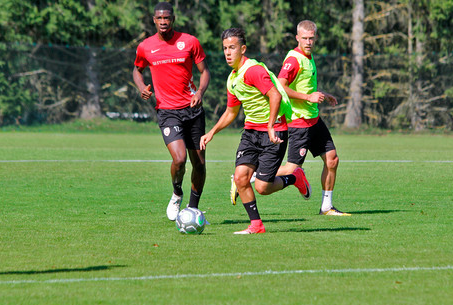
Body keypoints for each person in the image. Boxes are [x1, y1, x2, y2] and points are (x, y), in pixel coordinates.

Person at [200, 28, 311, 234]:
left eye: (232, 47)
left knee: (262, 187)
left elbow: (276, 95)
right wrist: (212, 132)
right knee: (241, 178)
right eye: (224, 48)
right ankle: (256, 225)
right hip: (251, 133)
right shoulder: (232, 79)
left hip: (274, 131)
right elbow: (231, 112)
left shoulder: (253, 70)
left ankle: (294, 177)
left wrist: (269, 126)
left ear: (243, 49)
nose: (227, 52)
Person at [132, 2, 211, 221]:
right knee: (179, 159)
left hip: (193, 110)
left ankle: (192, 208)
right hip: (168, 111)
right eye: (159, 18)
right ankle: (177, 193)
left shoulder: (189, 42)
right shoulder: (145, 47)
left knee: (200, 164)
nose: (163, 21)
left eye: (167, 18)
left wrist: (200, 93)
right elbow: (136, 71)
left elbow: (205, 72)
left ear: (173, 19)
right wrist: (142, 88)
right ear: (154, 20)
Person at [276, 20, 350, 216]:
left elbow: (305, 87)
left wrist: (323, 94)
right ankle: (246, 177)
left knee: (332, 159)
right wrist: (309, 97)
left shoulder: (308, 57)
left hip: (314, 120)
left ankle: (327, 206)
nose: (308, 42)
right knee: (291, 169)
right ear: (297, 38)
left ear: (315, 38)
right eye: (305, 38)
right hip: (299, 122)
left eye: (311, 38)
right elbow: (280, 86)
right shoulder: (293, 59)